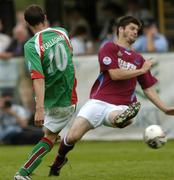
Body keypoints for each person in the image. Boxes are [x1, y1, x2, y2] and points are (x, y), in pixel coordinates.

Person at [48, 16, 174, 177]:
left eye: (137, 30)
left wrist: (164, 108)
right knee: (72, 137)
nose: (136, 32)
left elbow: (148, 89)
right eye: (132, 28)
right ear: (121, 29)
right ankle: (58, 161)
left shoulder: (138, 59)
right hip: (98, 102)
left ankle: (125, 117)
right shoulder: (109, 47)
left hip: (121, 105)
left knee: (121, 116)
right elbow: (115, 75)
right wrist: (141, 70)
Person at [14, 4, 77, 180]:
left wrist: (39, 107)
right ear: (45, 17)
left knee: (49, 136)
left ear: (27, 23)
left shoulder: (31, 45)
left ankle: (24, 172)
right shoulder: (62, 32)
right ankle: (23, 173)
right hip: (66, 96)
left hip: (51, 98)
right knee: (50, 137)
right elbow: (69, 56)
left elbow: (38, 77)